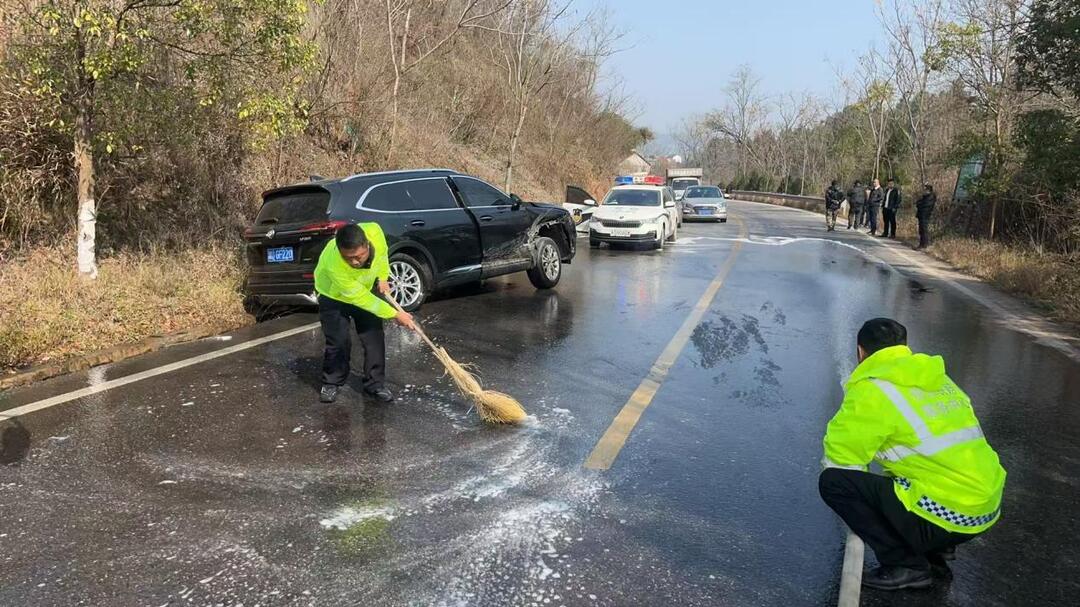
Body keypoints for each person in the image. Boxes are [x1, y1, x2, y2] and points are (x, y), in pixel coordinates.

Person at [819, 318, 1006, 591]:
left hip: (949, 512)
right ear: (904, 347)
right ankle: (939, 549)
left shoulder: (873, 388)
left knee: (834, 482)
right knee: (911, 473)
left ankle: (906, 564)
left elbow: (842, 458)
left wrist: (866, 506)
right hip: (984, 509)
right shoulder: (940, 381)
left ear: (861, 351)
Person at [314, 223, 416, 404]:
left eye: (358, 257)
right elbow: (359, 298)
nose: (354, 262)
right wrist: (394, 314)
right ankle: (331, 382)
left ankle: (375, 384)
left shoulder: (375, 231)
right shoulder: (333, 264)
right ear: (339, 251)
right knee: (338, 341)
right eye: (348, 258)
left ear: (367, 244)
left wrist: (383, 277)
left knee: (374, 337)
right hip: (333, 295)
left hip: (365, 289)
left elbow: (383, 253)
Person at [915, 184, 937, 250]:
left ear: (928, 190)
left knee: (924, 230)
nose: (924, 191)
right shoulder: (925, 197)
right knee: (921, 230)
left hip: (925, 215)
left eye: (925, 189)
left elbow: (923, 205)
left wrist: (919, 204)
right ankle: (921, 244)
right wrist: (919, 204)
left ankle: (924, 244)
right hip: (921, 215)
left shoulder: (931, 197)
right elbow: (918, 203)